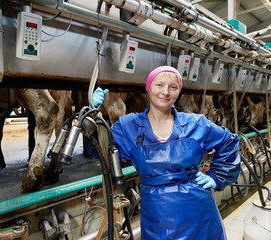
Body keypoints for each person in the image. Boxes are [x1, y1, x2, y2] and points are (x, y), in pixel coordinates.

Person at [92, 66, 241, 239]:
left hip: (199, 211)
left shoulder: (196, 123)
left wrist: (216, 177)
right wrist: (93, 114)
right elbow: (98, 147)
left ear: (178, 91)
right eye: (159, 85)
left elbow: (229, 141)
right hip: (157, 213)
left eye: (173, 87)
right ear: (149, 88)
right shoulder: (128, 126)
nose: (166, 92)